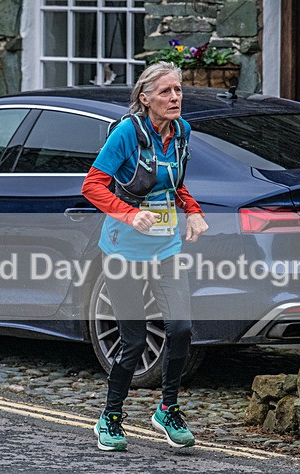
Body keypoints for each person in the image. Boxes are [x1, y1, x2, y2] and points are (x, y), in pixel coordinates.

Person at [82, 62, 209, 451]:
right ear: (145, 98)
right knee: (133, 341)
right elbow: (92, 185)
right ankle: (111, 417)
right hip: (123, 250)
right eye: (167, 92)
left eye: (179, 91)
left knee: (182, 330)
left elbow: (175, 184)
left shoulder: (182, 132)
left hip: (166, 247)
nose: (175, 98)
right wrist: (131, 214)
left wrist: (194, 211)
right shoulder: (126, 134)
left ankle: (167, 409)